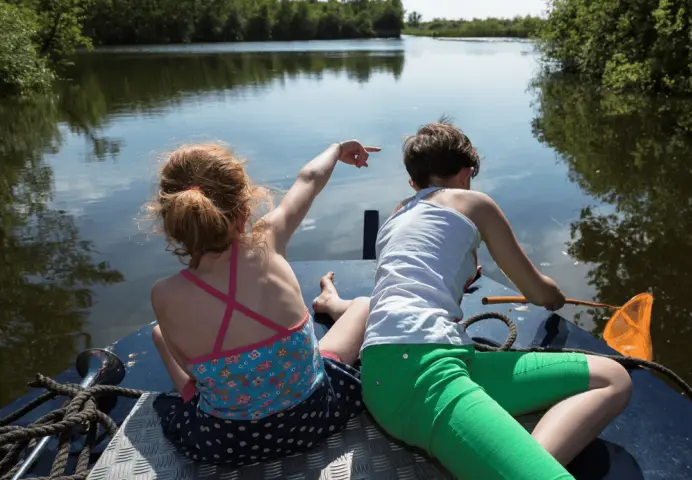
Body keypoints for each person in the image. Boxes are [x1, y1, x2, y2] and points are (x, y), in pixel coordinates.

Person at [360, 121, 632, 480]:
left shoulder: (397, 216)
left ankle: (513, 464)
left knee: (611, 378)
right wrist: (555, 296)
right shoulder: (474, 203)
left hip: (405, 367)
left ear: (415, 184)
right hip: (421, 375)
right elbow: (538, 292)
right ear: (467, 173)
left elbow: (400, 289)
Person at [145, 140, 379, 465]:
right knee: (363, 305)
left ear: (174, 222)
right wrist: (337, 149)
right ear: (244, 210)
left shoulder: (164, 294)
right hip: (314, 418)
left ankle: (325, 303)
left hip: (227, 442)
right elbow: (309, 179)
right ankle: (330, 301)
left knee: (159, 334)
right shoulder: (269, 240)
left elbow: (193, 372)